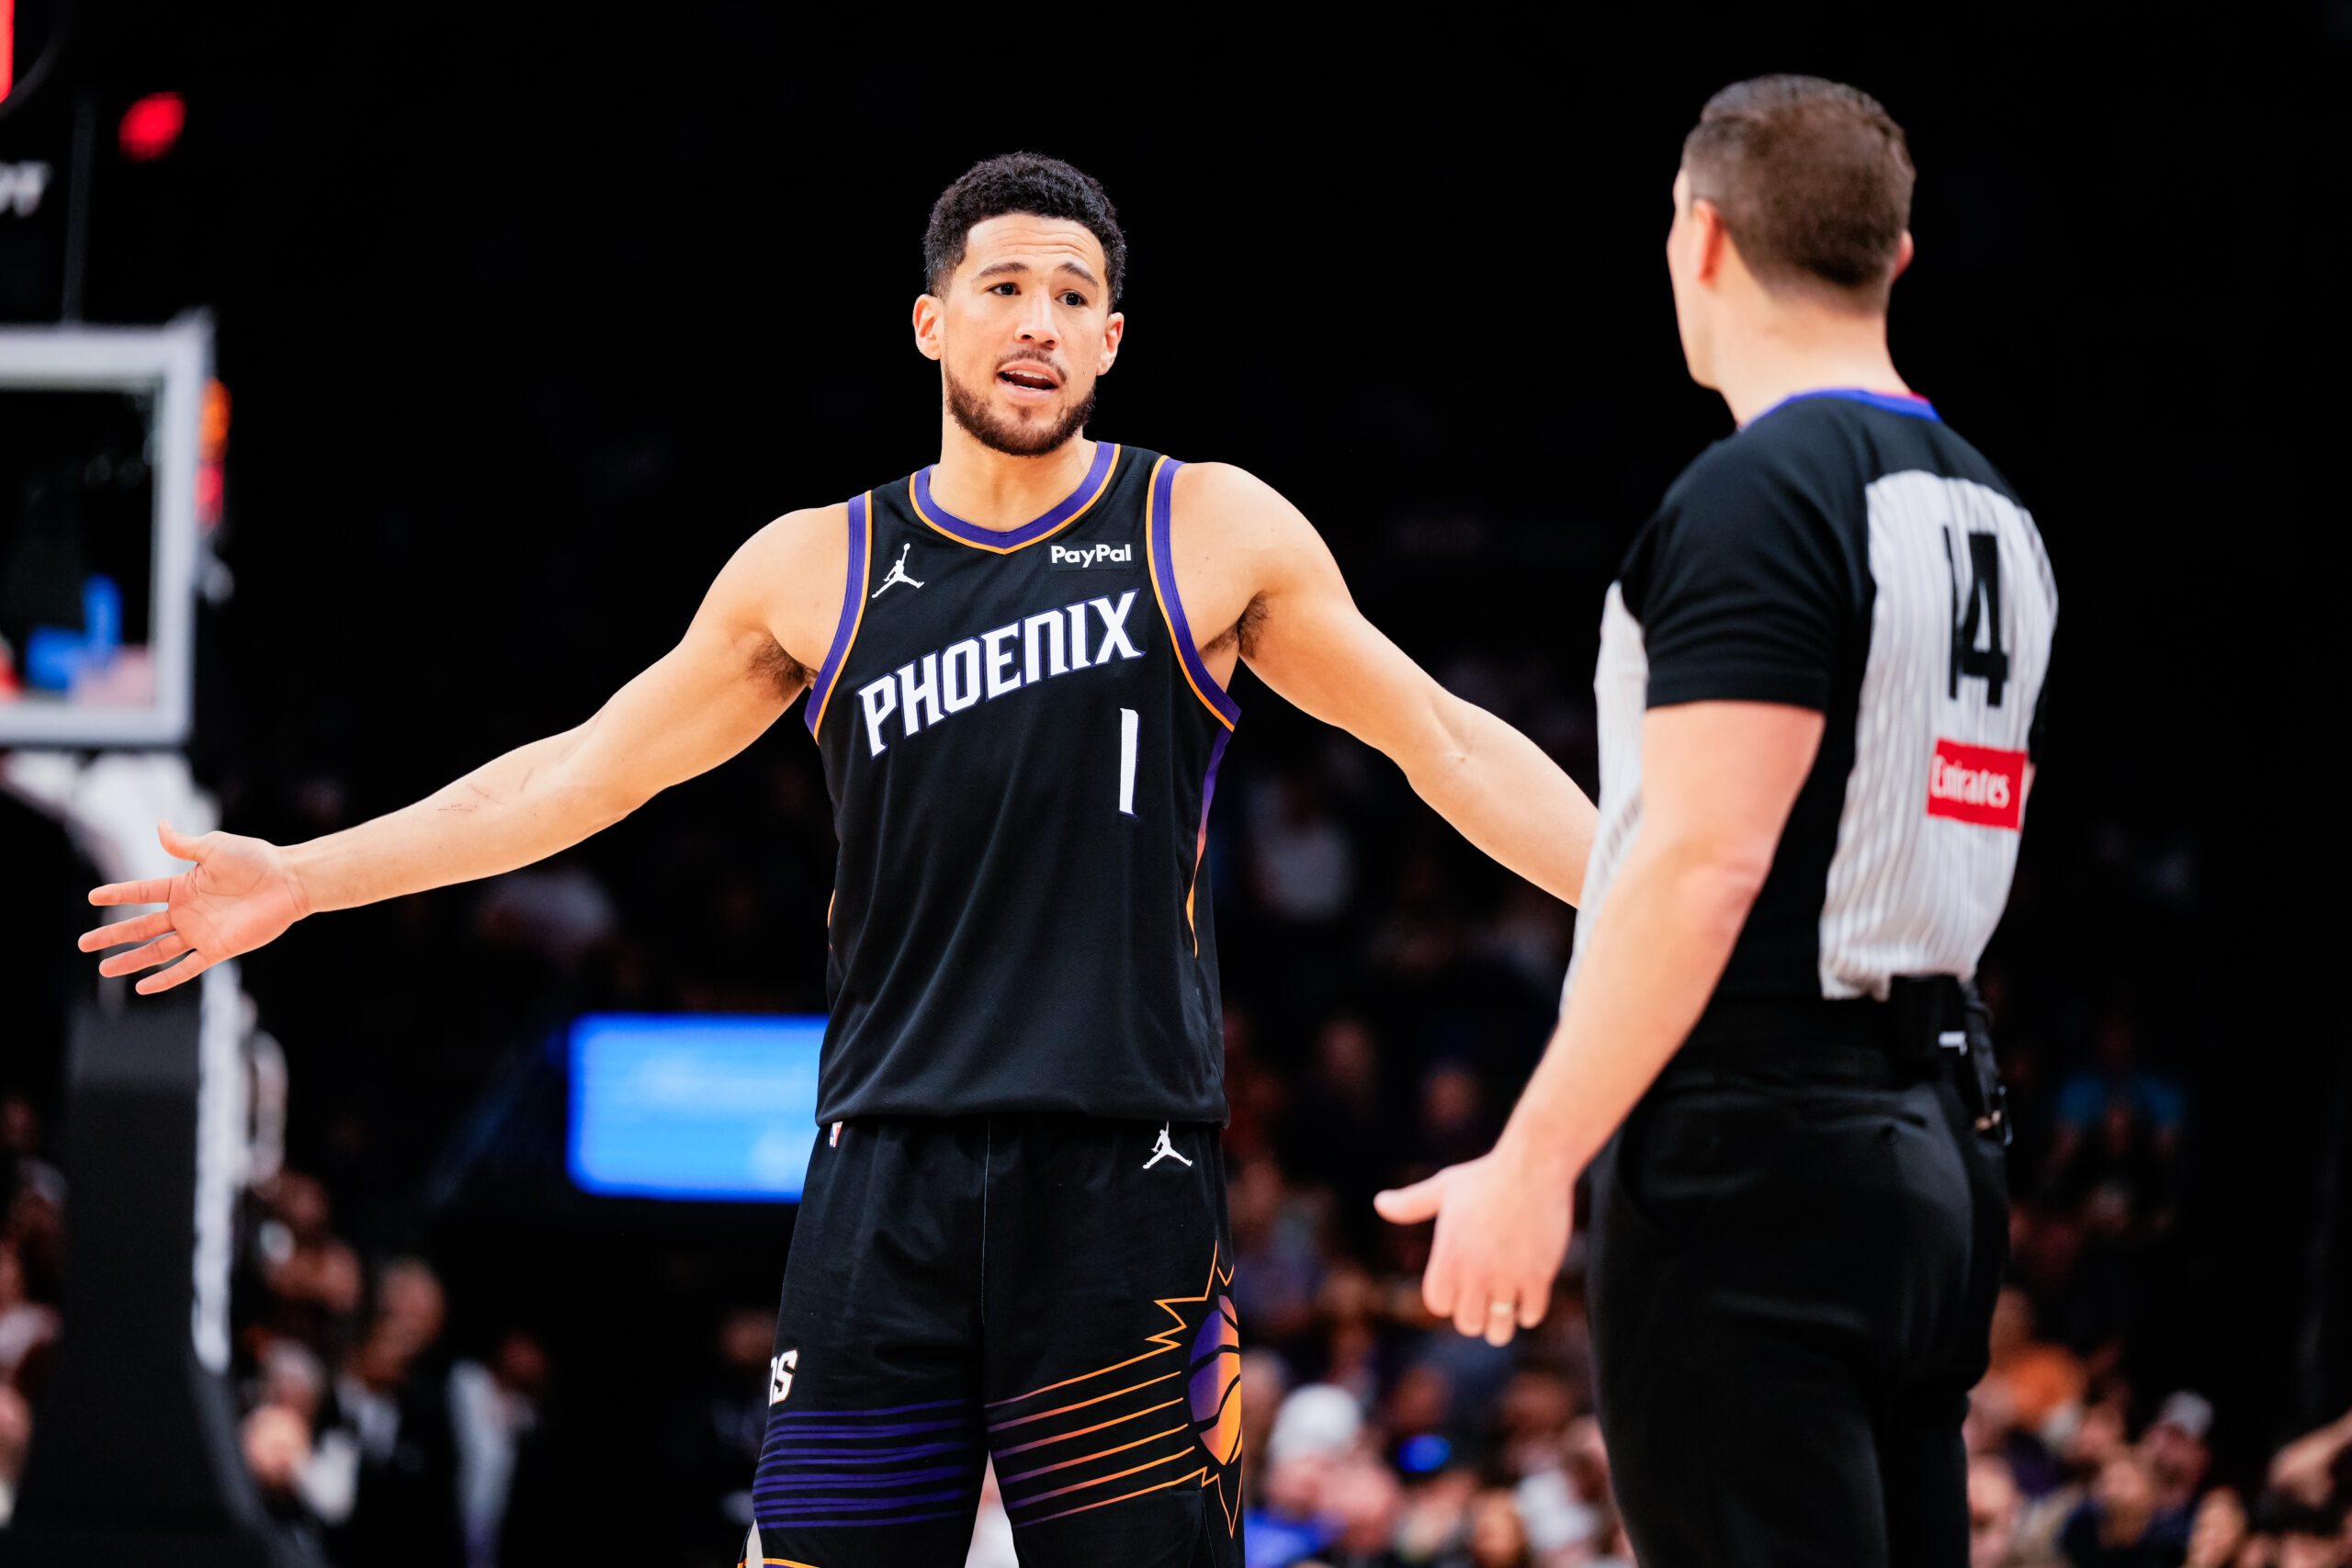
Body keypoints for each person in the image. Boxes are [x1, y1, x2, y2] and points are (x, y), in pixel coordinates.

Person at [78, 152, 1599, 1566]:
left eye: (1074, 296)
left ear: (1112, 342)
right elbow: (579, 774)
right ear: (933, 322)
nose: (1038, 322)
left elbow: (1448, 745)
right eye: (1005, 286)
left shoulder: (1206, 527)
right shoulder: (819, 564)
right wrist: (306, 876)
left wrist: (1662, 905)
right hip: (885, 1170)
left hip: (1121, 1173)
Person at [1375, 75, 2057, 1568]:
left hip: (1762, 1151)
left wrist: (1537, 1155)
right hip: (1941, 1139)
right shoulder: (1991, 507)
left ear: (1698, 240)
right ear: (1895, 259)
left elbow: (1707, 865)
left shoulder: (1763, 493)